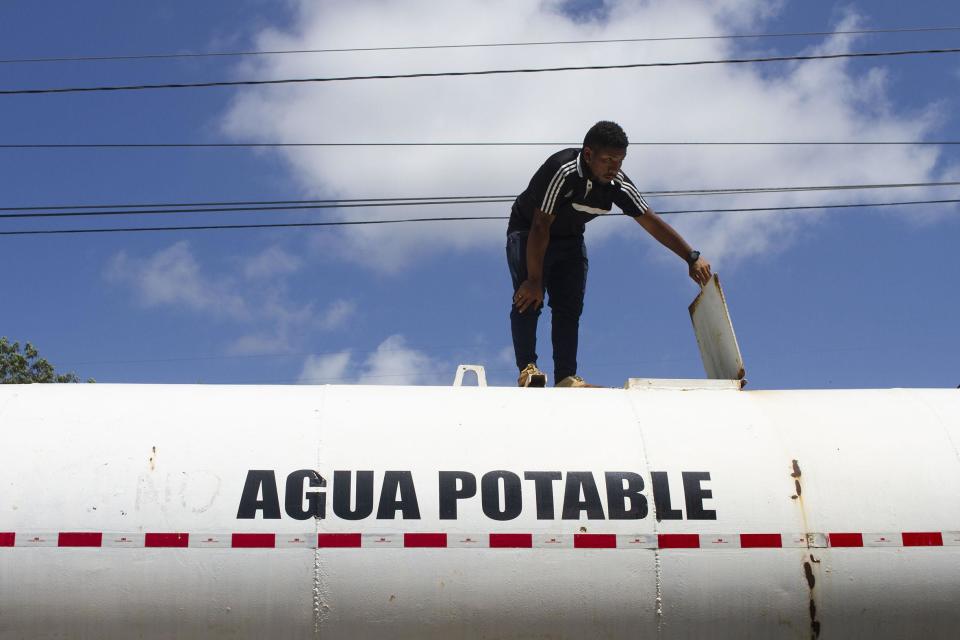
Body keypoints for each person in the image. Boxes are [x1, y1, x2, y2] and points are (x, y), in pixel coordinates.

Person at [507, 120, 712, 388]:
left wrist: (691, 256)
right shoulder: (563, 170)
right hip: (529, 232)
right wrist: (534, 279)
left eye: (620, 161)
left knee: (569, 307)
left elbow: (650, 221)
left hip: (570, 238)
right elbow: (540, 225)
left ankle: (566, 377)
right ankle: (528, 368)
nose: (614, 168)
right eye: (608, 160)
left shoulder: (618, 184)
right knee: (530, 296)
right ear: (588, 154)